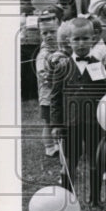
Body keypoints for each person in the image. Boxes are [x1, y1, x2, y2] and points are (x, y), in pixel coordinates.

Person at [49, 17, 106, 206]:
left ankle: (95, 198)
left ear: (93, 39)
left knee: (96, 160)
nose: (81, 43)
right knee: (70, 161)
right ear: (69, 41)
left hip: (95, 123)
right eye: (76, 39)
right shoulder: (62, 67)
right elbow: (55, 99)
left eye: (85, 38)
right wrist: (56, 125)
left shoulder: (99, 66)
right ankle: (66, 198)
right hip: (70, 124)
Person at [35, 10, 63, 159]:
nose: (49, 36)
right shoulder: (43, 54)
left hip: (57, 94)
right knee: (48, 123)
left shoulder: (59, 48)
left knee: (58, 121)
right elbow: (42, 74)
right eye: (45, 33)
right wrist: (54, 77)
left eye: (52, 31)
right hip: (47, 96)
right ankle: (49, 147)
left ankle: (58, 144)